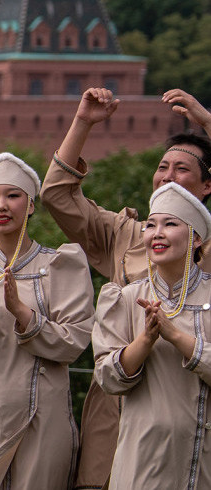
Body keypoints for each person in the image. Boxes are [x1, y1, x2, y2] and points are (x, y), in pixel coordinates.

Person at [41, 87, 211, 488]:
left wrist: (205, 122)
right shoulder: (126, 234)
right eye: (162, 166)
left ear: (208, 185)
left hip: (188, 421)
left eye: (182, 169)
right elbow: (57, 196)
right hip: (117, 411)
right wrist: (83, 122)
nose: (167, 176)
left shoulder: (205, 244)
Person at [0, 153, 95, 489]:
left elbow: (73, 343)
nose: (1, 205)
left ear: (30, 205)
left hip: (45, 422)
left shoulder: (62, 265)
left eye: (12, 195)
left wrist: (22, 312)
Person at [93, 182, 211, 486]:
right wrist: (146, 340)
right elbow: (107, 377)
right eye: (150, 225)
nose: (157, 233)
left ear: (197, 238)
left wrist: (174, 335)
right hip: (143, 457)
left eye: (170, 224)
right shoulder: (126, 299)